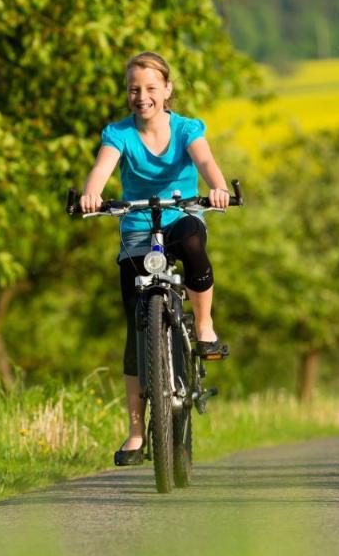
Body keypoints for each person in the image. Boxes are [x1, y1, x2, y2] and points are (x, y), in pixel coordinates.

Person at [79, 51, 232, 466]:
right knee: (135, 328)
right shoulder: (119, 133)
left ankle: (203, 327)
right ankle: (134, 431)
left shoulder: (186, 128)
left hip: (181, 217)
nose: (141, 96)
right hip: (137, 229)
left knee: (194, 244)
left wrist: (217, 187)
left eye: (150, 88)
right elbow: (102, 169)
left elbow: (205, 162)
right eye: (134, 89)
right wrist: (91, 194)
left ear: (167, 89)